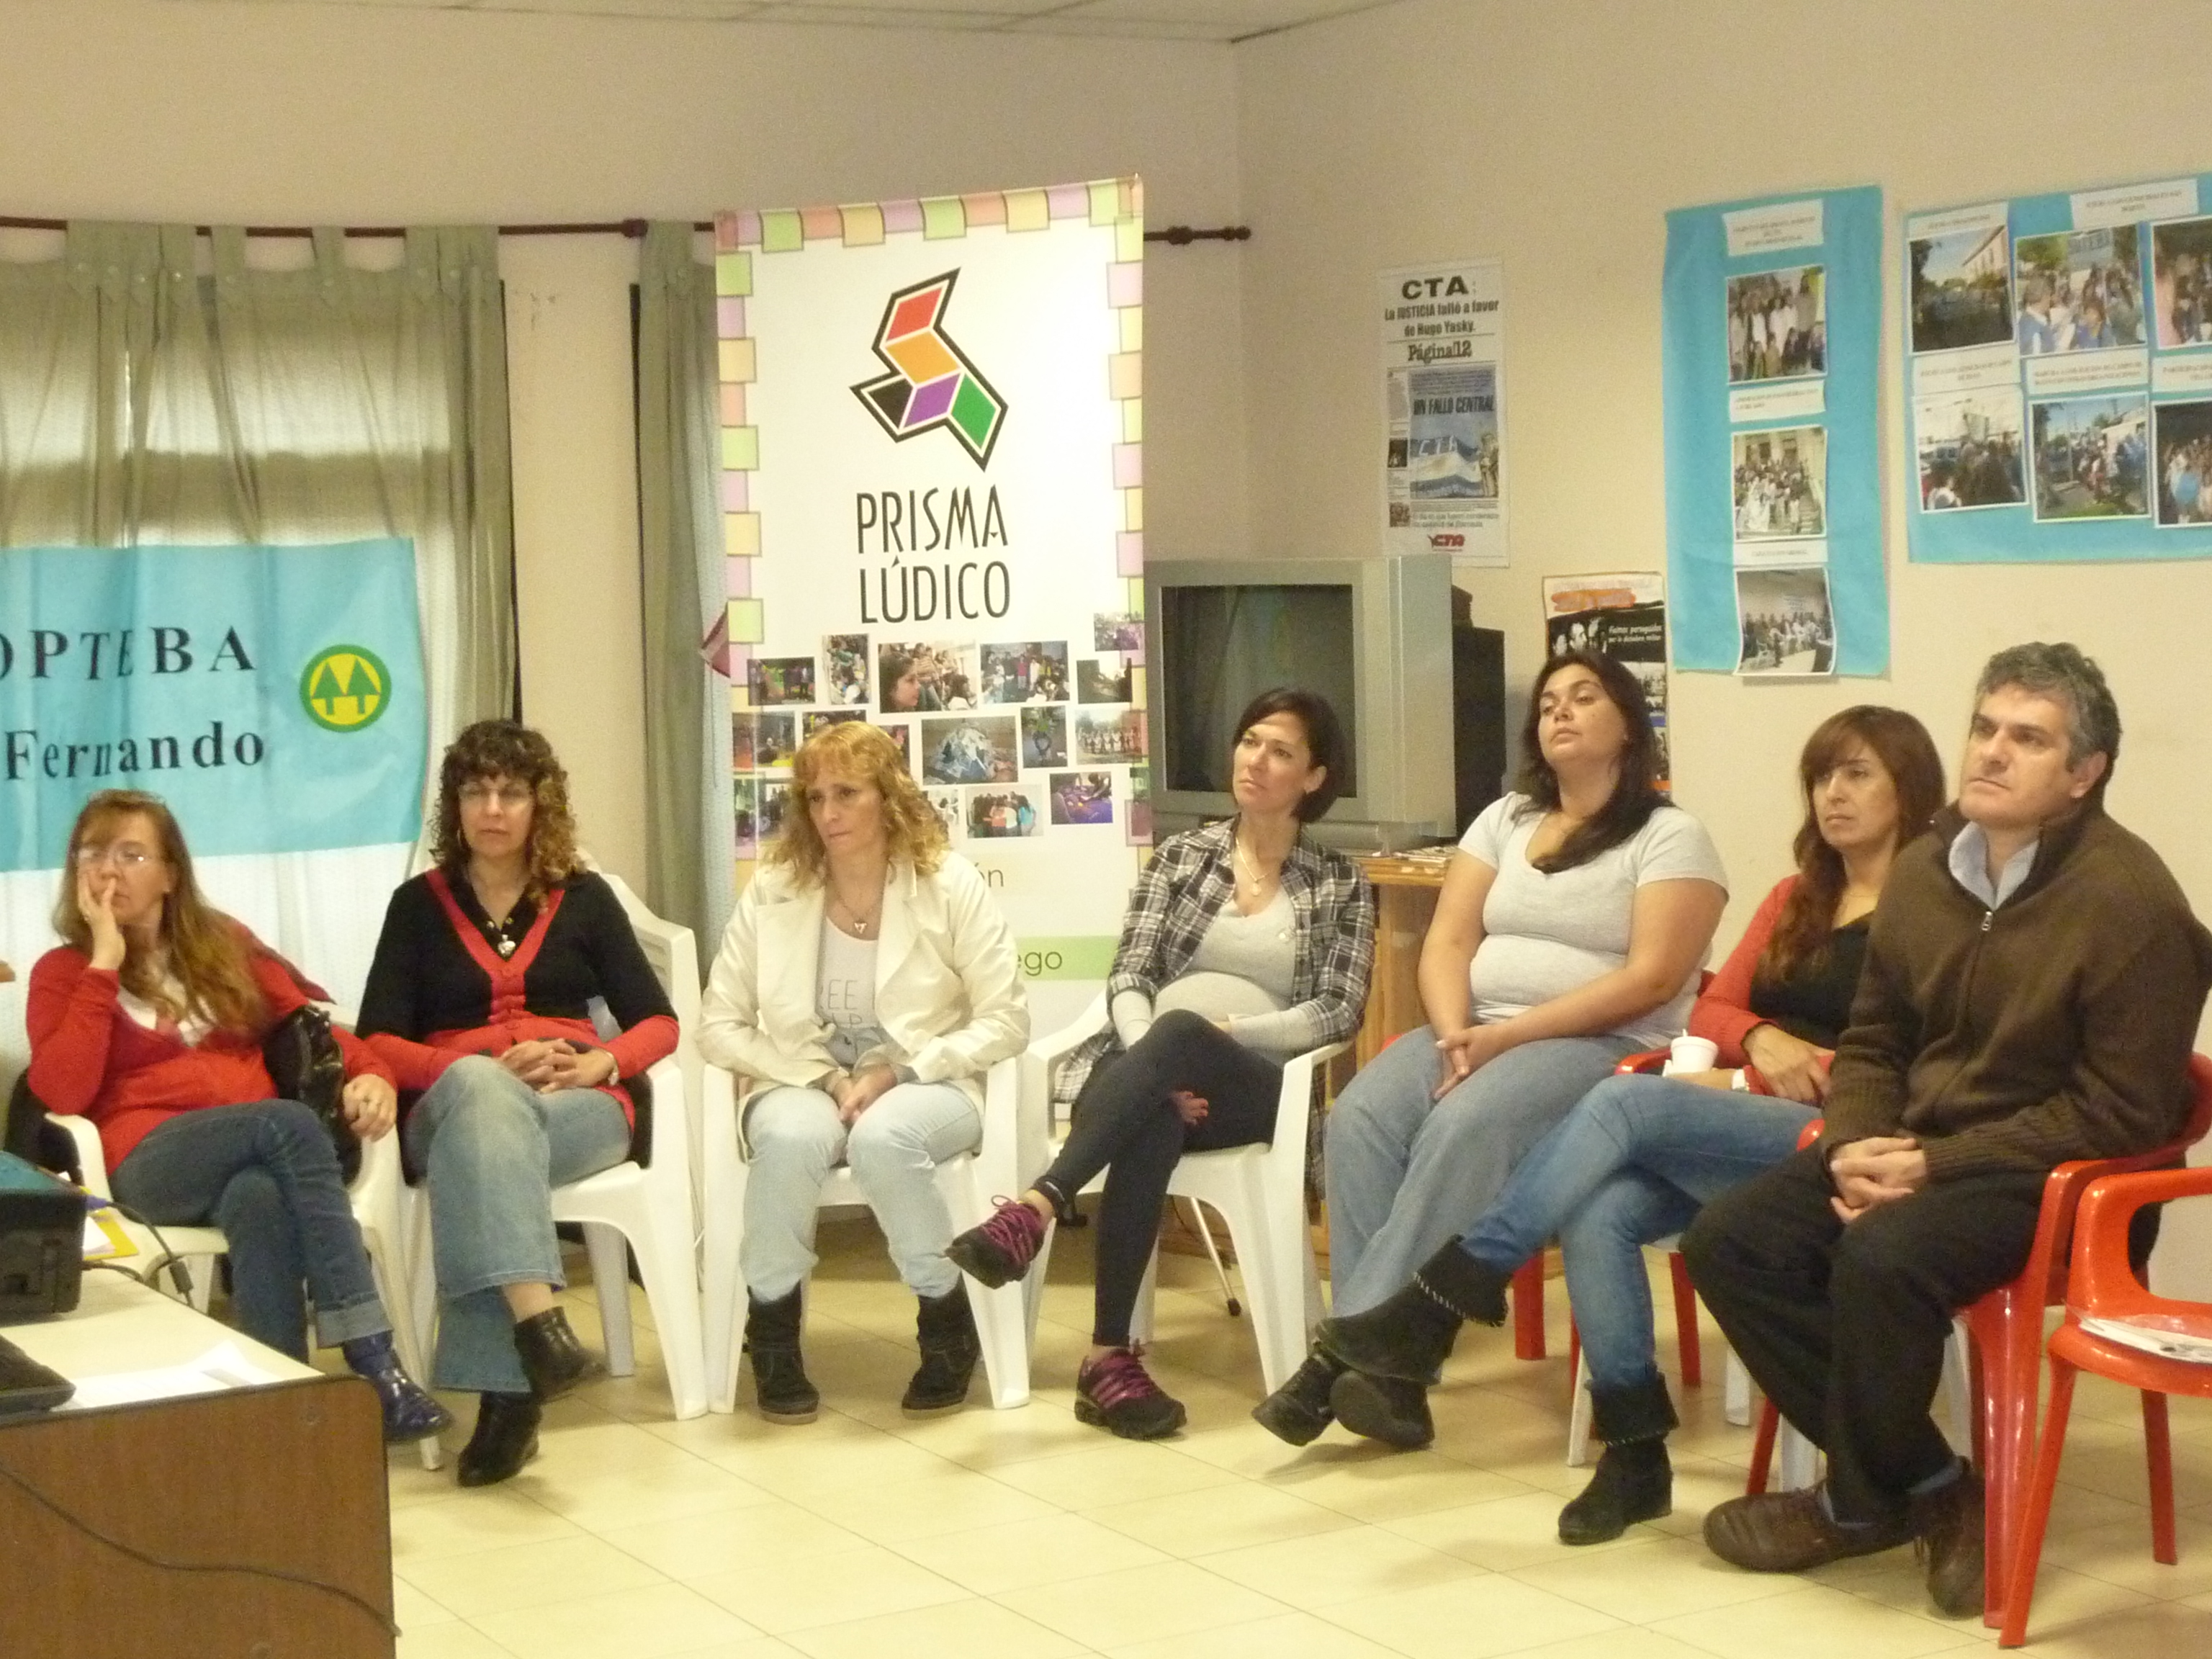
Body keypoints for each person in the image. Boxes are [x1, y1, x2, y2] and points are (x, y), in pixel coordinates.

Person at [1292, 709, 1944, 1545]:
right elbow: (1712, 1005)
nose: (1833, 794)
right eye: (1822, 776)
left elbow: (1924, 1054)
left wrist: (1801, 1066)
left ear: (1909, 789)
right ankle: (1636, 1453)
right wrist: (1758, 1038)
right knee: (1598, 1209)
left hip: (1846, 1139)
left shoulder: (1933, 913)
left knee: (1621, 1102)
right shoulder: (1796, 900)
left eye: (1857, 775)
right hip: (1748, 1125)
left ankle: (1448, 1292)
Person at [1683, 644, 2212, 1619]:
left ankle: (1854, 1505)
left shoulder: (2133, 904)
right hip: (1915, 1150)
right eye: (1985, 727)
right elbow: (1876, 1039)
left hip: (2063, 1180)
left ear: (2084, 773)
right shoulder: (1929, 869)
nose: (1993, 752)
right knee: (1730, 1240)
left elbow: (2122, 1112)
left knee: (1883, 1256)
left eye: (2029, 739)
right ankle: (1929, 1486)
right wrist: (1853, 1143)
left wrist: (1935, 1162)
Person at [1260, 650, 1727, 1452]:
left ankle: (1343, 1354)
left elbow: (1652, 978)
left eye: (1584, 697)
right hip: (1475, 1031)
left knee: (1464, 1125)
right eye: (1548, 703)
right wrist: (1455, 1036)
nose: (1560, 712)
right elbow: (1446, 941)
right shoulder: (1505, 819)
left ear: (1628, 724)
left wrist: (1507, 1038)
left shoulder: (1671, 836)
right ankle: (1391, 1373)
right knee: (1359, 1115)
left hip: (1604, 1046)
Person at [943, 688, 1375, 1439]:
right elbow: (1130, 975)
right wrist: (1161, 1069)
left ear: (1314, 777)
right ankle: (1108, 1359)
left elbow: (1338, 1010)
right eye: (1250, 741)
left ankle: (1036, 1208)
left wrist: (1224, 1035)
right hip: (1152, 1080)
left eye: (1280, 751)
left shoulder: (1339, 882)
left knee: (1180, 1032)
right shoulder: (1182, 857)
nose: (1255, 760)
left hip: (1256, 1089)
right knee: (1150, 1116)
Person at [26, 791, 446, 1443]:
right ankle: (374, 1362)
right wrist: (104, 966)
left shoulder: (223, 945)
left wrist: (371, 1072)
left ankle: (286, 1418)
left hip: (256, 1151)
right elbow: (62, 1092)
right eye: (92, 854)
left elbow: (312, 1024)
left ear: (170, 874)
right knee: (287, 1123)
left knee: (259, 1199)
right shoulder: (64, 972)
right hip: (148, 1162)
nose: (108, 871)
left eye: (131, 855)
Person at [356, 721, 679, 1487]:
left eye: (510, 793)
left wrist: (603, 1061)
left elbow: (659, 1023)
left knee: (480, 1156)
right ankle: (536, 1331)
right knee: (480, 1103)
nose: (493, 809)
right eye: (476, 792)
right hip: (449, 1102)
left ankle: (512, 1395)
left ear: (542, 805)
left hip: (577, 1106)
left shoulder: (586, 899)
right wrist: (478, 1066)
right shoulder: (416, 906)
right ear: (455, 806)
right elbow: (377, 1041)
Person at [698, 721, 1028, 1424]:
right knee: (788, 1140)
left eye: (847, 793)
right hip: (802, 1074)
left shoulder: (948, 883)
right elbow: (718, 1024)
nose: (828, 813)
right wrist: (819, 1077)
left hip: (927, 1077)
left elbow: (1007, 1020)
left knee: (885, 1140)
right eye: (815, 797)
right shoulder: (776, 888)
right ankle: (773, 1333)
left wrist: (902, 1070)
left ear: (889, 797)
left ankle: (946, 1318)